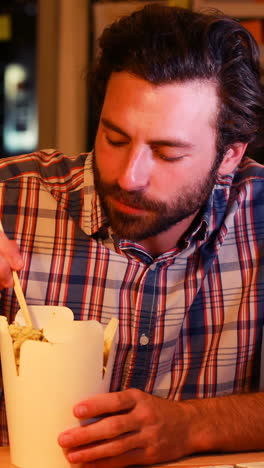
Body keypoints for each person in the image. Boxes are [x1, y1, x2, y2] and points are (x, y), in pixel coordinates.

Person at [0, 3, 264, 467]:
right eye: (114, 138)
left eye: (166, 152)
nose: (128, 177)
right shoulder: (11, 202)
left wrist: (194, 425)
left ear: (229, 156)